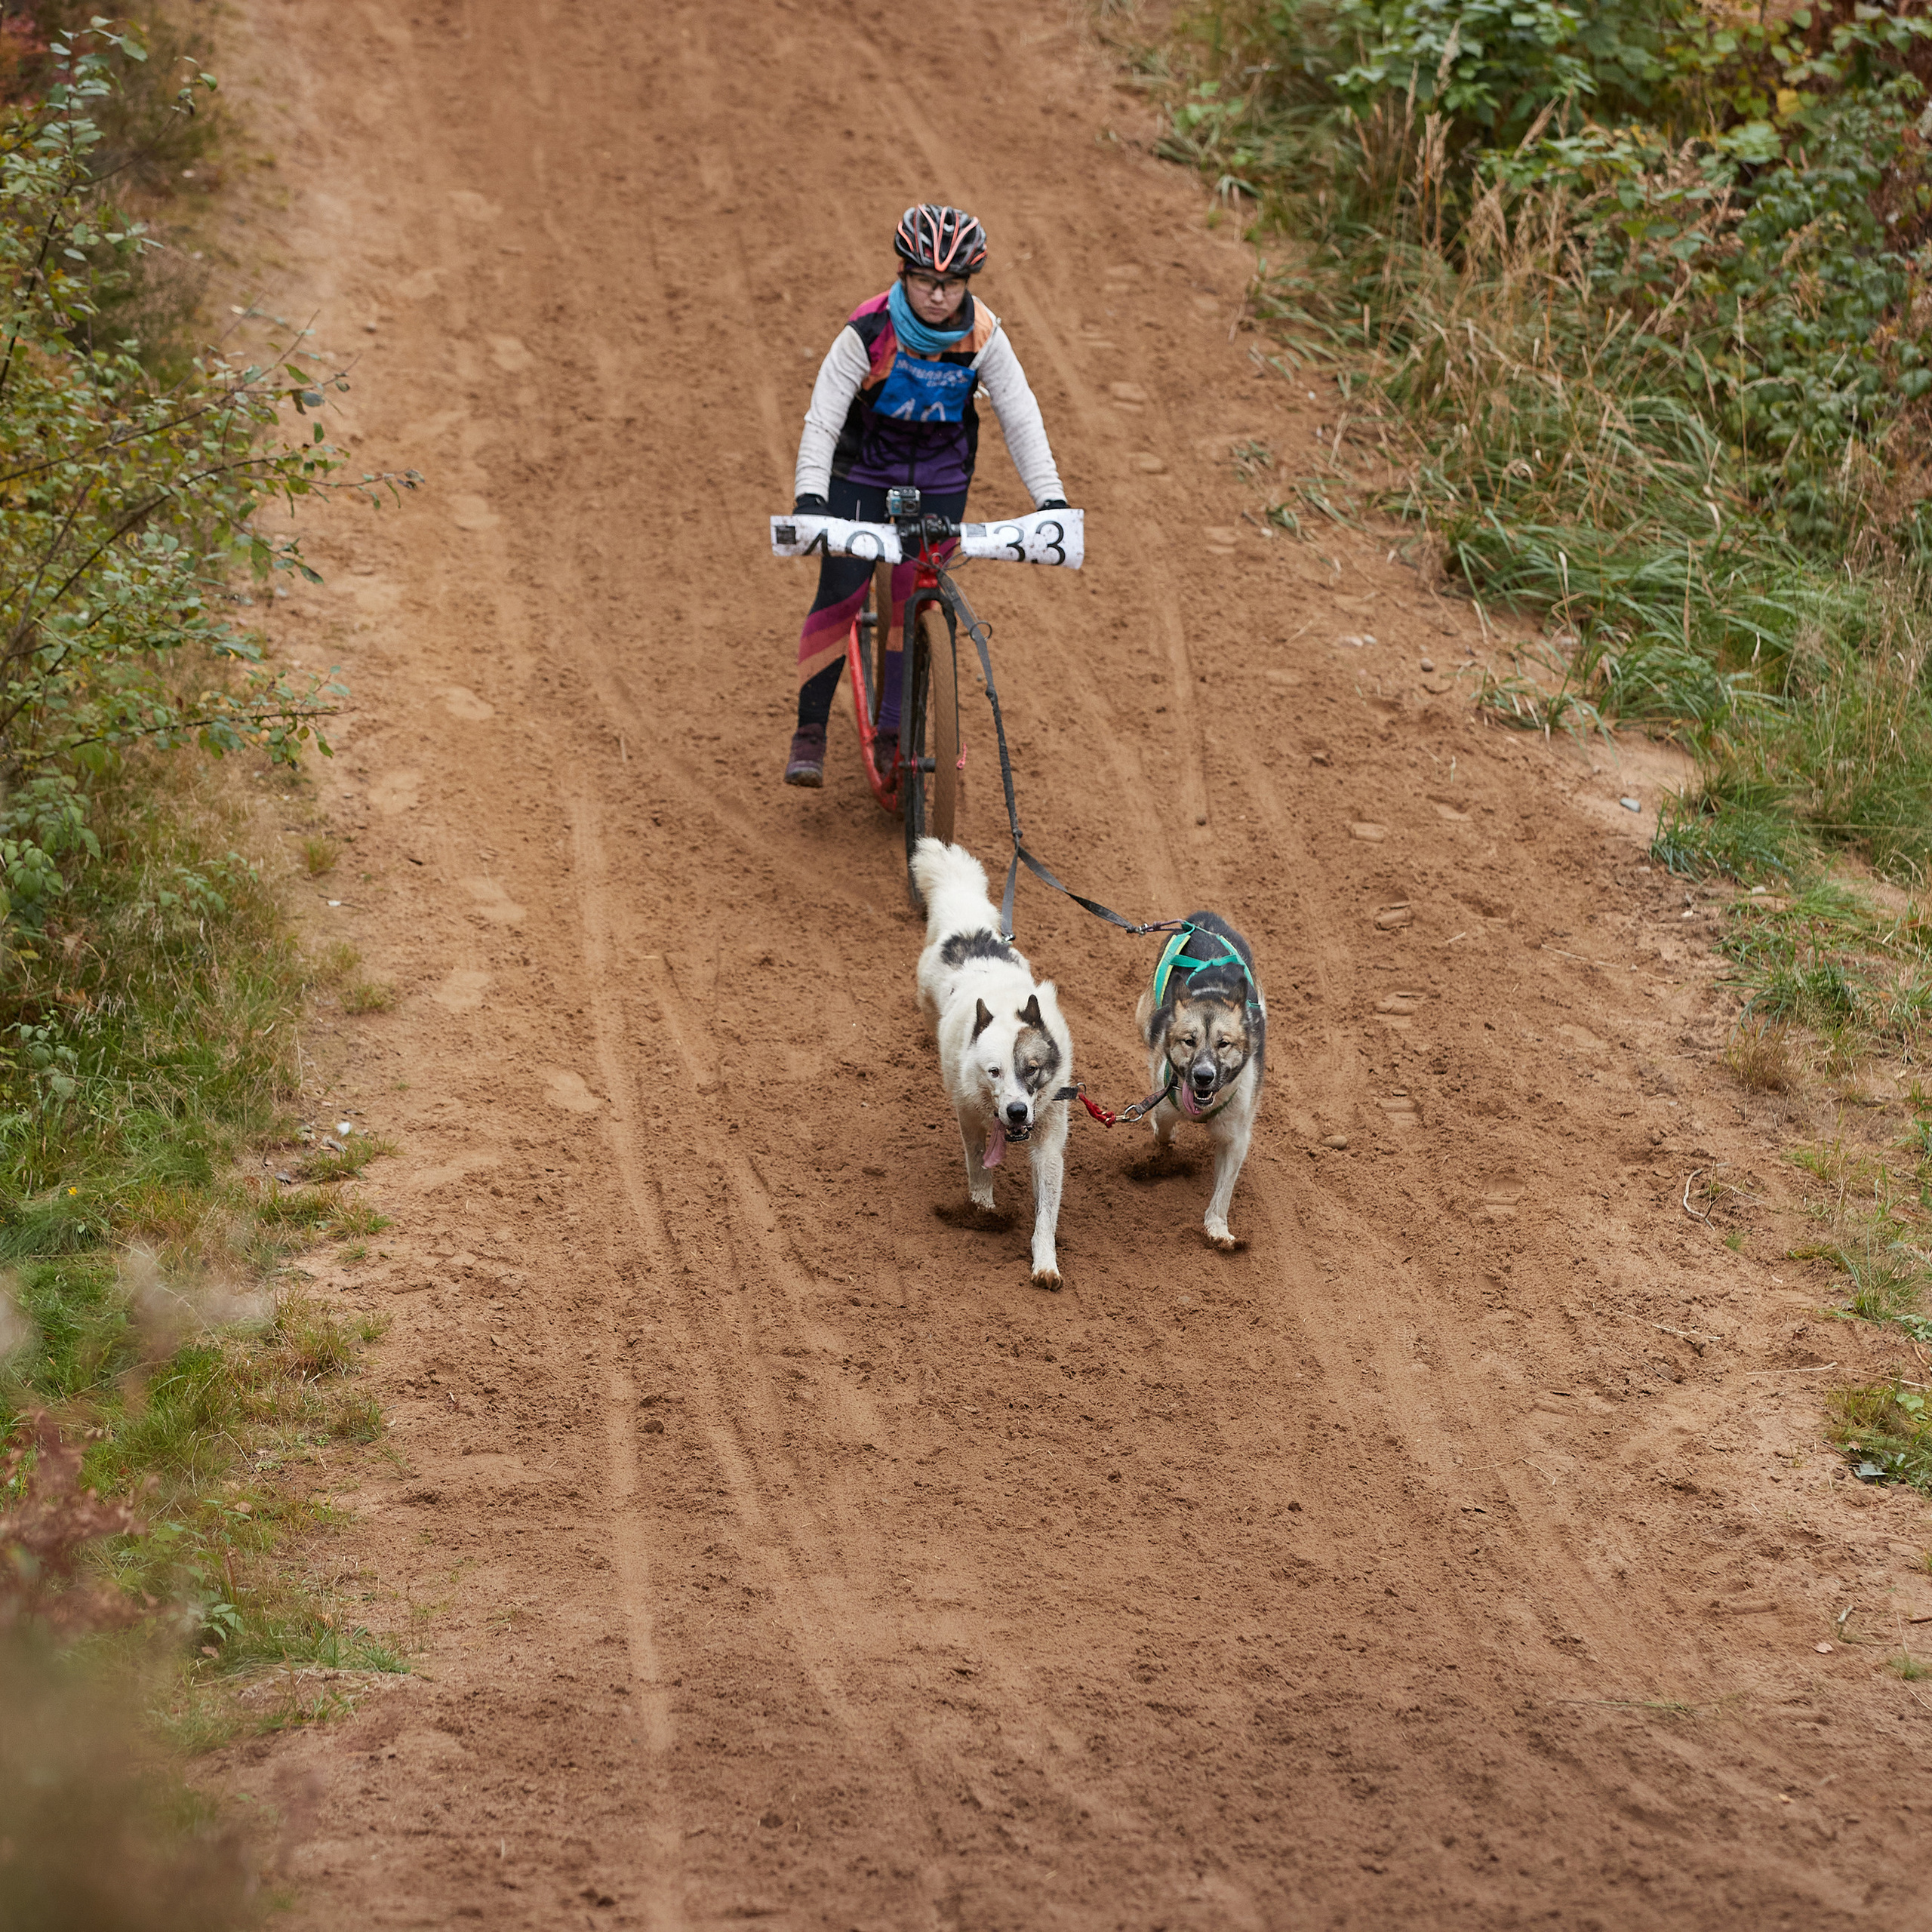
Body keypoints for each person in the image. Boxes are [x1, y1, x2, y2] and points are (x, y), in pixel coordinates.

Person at [783, 202, 1069, 787]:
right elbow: (823, 419)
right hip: (863, 472)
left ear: (967, 283)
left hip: (940, 477)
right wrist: (812, 496)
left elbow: (1021, 417)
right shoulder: (867, 331)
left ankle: (895, 732)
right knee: (842, 589)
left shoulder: (984, 335)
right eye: (924, 281)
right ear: (902, 273)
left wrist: (1052, 500)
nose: (938, 296)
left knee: (914, 599)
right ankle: (809, 731)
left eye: (951, 283)